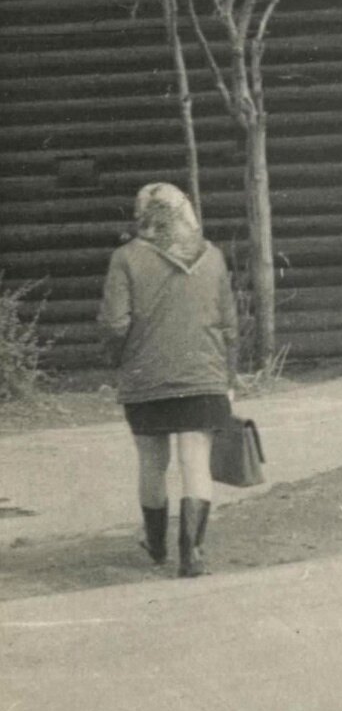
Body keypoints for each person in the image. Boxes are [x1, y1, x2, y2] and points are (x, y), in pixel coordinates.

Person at [100, 184, 236, 578]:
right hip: (204, 377)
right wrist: (228, 376)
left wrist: (117, 360)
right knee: (195, 462)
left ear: (142, 216)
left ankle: (157, 546)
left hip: (145, 378)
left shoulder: (125, 258)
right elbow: (229, 325)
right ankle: (192, 554)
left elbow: (115, 324)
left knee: (152, 463)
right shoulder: (213, 257)